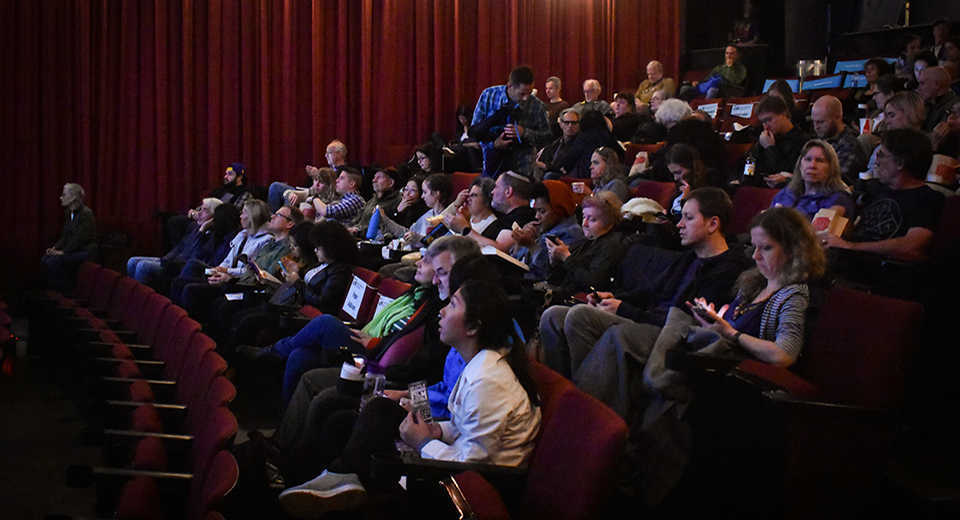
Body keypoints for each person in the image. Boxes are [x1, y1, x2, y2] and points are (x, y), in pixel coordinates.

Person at [277, 279, 541, 517]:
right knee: (359, 415)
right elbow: (465, 425)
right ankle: (335, 480)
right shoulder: (478, 361)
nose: (442, 311)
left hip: (469, 488)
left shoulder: (488, 380)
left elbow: (472, 463)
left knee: (347, 418)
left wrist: (424, 440)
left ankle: (336, 487)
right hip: (457, 455)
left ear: (473, 326)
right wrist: (438, 429)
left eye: (452, 305)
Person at [270, 236, 481, 482]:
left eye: (441, 273)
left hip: (399, 381)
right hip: (394, 375)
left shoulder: (471, 347)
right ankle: (290, 460)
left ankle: (304, 474)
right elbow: (440, 385)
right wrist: (403, 392)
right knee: (303, 359)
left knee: (328, 395)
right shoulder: (436, 306)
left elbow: (465, 439)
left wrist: (406, 400)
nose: (435, 278)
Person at [540, 188, 750, 379]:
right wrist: (615, 298)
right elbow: (653, 292)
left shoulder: (727, 270)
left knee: (580, 316)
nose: (679, 224)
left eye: (688, 218)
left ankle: (586, 401)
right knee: (553, 316)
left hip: (667, 335)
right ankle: (560, 386)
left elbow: (683, 323)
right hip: (648, 318)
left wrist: (624, 309)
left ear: (713, 224)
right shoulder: (690, 258)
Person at [824, 128, 944, 262]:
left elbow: (911, 245)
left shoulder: (929, 198)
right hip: (847, 255)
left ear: (900, 163)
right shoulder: (878, 189)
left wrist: (851, 246)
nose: (876, 162)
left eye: (881, 155)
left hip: (879, 266)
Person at [542, 192, 626, 302]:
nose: (584, 224)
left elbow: (592, 284)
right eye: (584, 217)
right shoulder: (584, 242)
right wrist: (554, 262)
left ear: (609, 223)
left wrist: (566, 257)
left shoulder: (611, 247)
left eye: (592, 219)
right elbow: (555, 279)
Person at [470, 65, 551, 178]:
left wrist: (524, 133)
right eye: (522, 94)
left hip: (523, 170)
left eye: (530, 93)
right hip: (493, 167)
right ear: (510, 86)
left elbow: (546, 137)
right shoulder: (489, 96)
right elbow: (475, 131)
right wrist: (493, 145)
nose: (526, 98)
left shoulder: (537, 105)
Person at [129, 197, 222, 286]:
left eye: (205, 210)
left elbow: (196, 257)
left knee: (143, 266)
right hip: (172, 262)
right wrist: (165, 259)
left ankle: (145, 300)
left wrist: (201, 232)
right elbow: (180, 246)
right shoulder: (195, 227)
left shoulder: (213, 236)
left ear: (214, 217)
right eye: (200, 209)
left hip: (181, 267)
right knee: (132, 261)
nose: (199, 213)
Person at [444, 171, 536, 253]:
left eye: (496, 187)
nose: (492, 192)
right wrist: (467, 223)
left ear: (508, 191)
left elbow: (499, 250)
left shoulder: (523, 215)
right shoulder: (506, 217)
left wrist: (464, 229)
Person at [511, 180, 585, 280]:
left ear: (559, 210)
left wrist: (531, 245)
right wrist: (519, 242)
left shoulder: (573, 233)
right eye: (536, 211)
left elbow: (548, 275)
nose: (537, 216)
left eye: (542, 211)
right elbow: (514, 263)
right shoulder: (544, 228)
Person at [771, 140, 854, 220]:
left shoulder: (838, 199)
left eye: (820, 161)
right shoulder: (785, 193)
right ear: (800, 165)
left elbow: (822, 232)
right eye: (808, 159)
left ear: (831, 168)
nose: (812, 165)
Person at [42, 183, 98, 293]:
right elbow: (66, 235)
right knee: (45, 259)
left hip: (85, 251)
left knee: (53, 262)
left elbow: (79, 238)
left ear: (73, 198)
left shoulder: (86, 214)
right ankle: (56, 291)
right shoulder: (69, 213)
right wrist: (55, 248)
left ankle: (67, 291)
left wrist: (63, 252)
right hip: (74, 249)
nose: (61, 198)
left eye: (64, 195)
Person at [744, 94, 808, 187]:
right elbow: (746, 162)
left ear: (784, 114)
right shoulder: (765, 139)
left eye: (769, 120)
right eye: (763, 122)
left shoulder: (802, 141)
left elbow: (784, 172)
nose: (766, 126)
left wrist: (770, 148)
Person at [270, 140, 348, 211]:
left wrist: (318, 175)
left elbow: (332, 189)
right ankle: (275, 219)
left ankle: (285, 221)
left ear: (339, 154)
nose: (325, 156)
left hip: (318, 197)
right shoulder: (327, 168)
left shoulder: (345, 172)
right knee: (276, 187)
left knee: (290, 198)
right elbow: (309, 187)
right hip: (309, 191)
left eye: (328, 153)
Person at [378, 173, 453, 246]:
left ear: (437, 193)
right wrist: (386, 221)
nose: (422, 196)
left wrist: (418, 238)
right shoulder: (429, 214)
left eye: (425, 192)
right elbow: (408, 233)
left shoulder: (449, 219)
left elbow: (433, 241)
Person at [810, 95, 867, 183]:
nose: (816, 127)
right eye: (814, 122)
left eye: (821, 122)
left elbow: (835, 180)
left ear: (837, 117)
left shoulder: (850, 147)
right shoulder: (818, 141)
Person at [537, 108, 592, 178]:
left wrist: (545, 166)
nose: (570, 126)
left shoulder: (579, 143)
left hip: (564, 177)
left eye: (574, 123)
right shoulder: (557, 142)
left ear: (579, 124)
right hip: (550, 171)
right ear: (561, 124)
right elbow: (544, 158)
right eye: (567, 123)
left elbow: (564, 167)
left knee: (548, 176)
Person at [347, 167, 402, 238]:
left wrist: (359, 230)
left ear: (391, 182)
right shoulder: (373, 200)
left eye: (379, 177)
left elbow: (384, 226)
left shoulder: (397, 200)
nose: (374, 180)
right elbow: (356, 218)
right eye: (374, 177)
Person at [664, 144, 707, 217]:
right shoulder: (680, 187)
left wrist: (685, 200)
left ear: (691, 167)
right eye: (673, 174)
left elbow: (694, 217)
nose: (675, 178)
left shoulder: (709, 183)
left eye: (678, 172)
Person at [918, 67, 958, 133]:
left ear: (936, 84)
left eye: (922, 83)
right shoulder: (925, 105)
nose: (919, 88)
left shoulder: (954, 108)